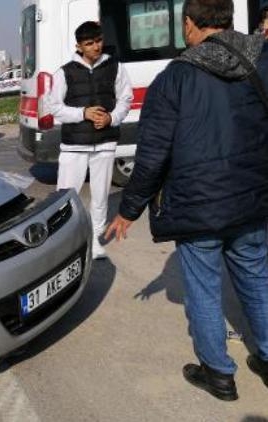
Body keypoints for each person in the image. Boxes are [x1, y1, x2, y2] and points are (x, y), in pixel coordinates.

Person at [106, 0, 268, 401]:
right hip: (253, 200)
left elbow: (152, 155)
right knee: (258, 279)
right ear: (230, 20)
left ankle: (218, 375)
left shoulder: (174, 78)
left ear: (190, 24)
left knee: (203, 290)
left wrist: (129, 210)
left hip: (197, 206)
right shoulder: (261, 59)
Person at [46, 21, 133, 260]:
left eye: (98, 41)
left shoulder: (115, 67)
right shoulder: (65, 72)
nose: (95, 47)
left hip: (105, 143)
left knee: (100, 196)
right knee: (66, 196)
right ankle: (63, 243)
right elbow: (53, 106)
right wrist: (82, 113)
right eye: (89, 43)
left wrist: (111, 118)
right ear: (79, 46)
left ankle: (94, 240)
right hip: (74, 144)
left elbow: (126, 98)